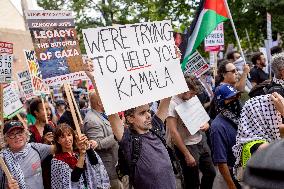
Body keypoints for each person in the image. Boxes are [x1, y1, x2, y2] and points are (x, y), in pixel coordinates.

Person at [166, 75, 216, 189]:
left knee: (211, 173)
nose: (193, 96)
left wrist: (206, 125)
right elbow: (173, 132)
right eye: (192, 93)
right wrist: (186, 154)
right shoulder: (172, 103)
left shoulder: (192, 97)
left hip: (200, 140)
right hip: (185, 145)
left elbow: (203, 117)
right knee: (192, 182)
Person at [232, 93, 283, 179]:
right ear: (264, 118)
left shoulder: (250, 142)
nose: (280, 119)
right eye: (276, 114)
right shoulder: (262, 147)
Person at [51, 124, 110, 189]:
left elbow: (95, 163)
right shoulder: (57, 160)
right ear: (58, 141)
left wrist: (88, 147)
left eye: (69, 135)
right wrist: (82, 154)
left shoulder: (77, 152)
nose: (67, 139)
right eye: (62, 137)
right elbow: (74, 179)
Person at [0, 120, 56, 189]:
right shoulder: (2, 160)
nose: (17, 136)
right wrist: (8, 188)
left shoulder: (36, 148)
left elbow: (59, 148)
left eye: (20, 132)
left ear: (25, 134)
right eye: (12, 134)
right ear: (6, 139)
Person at [83, 92, 121, 189]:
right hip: (108, 168)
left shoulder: (102, 114)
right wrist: (118, 133)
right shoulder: (92, 120)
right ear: (99, 103)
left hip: (115, 163)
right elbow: (97, 144)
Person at [210, 84, 242, 189]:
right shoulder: (217, 126)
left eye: (236, 97)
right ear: (221, 102)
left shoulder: (239, 117)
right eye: (230, 98)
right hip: (230, 177)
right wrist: (231, 186)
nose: (235, 100)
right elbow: (221, 161)